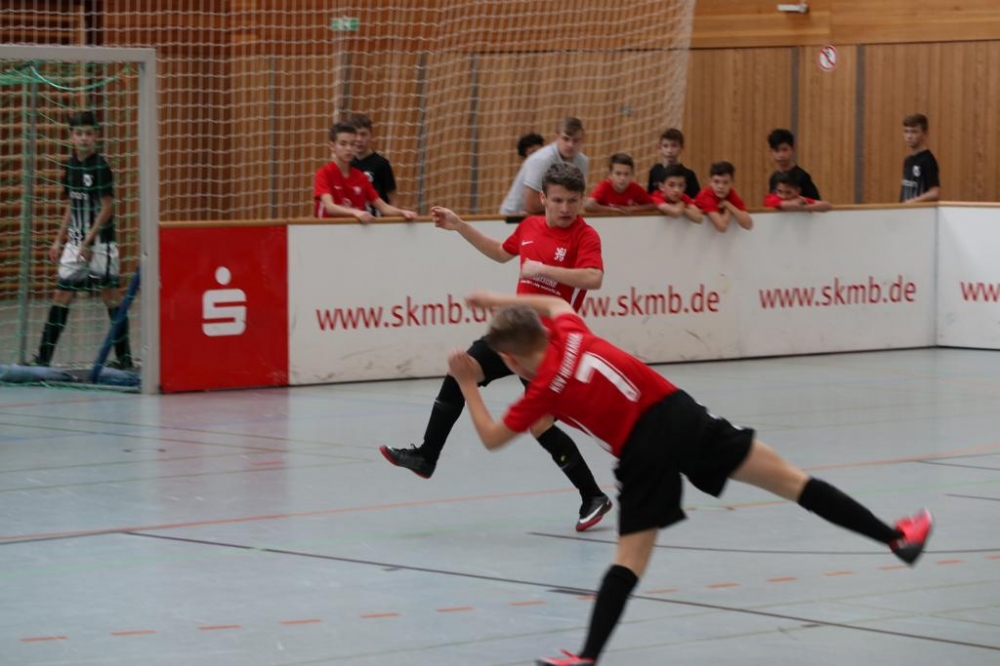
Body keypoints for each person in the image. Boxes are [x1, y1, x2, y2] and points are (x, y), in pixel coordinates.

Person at [445, 290, 934, 666]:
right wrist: (497, 300)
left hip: (641, 452)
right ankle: (896, 538)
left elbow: (490, 437)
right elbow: (554, 302)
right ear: (543, 331)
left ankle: (586, 656)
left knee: (629, 560)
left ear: (511, 361)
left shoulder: (541, 392)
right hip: (679, 416)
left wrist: (469, 384)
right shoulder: (570, 330)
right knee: (792, 482)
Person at [380, 163, 612, 532]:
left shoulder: (586, 236)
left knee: (539, 424)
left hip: (547, 346)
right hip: (514, 333)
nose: (565, 208)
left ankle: (592, 495)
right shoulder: (530, 226)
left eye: (572, 200)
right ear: (543, 198)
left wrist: (545, 270)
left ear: (582, 199)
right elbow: (502, 252)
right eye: (557, 200)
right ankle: (426, 455)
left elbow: (593, 278)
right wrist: (460, 226)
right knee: (462, 371)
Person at [33, 110, 133, 369]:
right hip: (75, 242)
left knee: (111, 296)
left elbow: (107, 207)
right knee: (61, 294)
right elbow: (71, 206)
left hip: (101, 244)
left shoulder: (101, 167)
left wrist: (88, 242)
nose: (84, 138)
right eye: (79, 133)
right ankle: (43, 359)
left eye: (89, 133)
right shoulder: (70, 166)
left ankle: (124, 359)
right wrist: (59, 240)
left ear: (96, 136)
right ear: (71, 137)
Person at [314, 122, 416, 223]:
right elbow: (330, 208)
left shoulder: (361, 177)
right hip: (327, 230)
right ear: (332, 146)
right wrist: (355, 212)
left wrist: (403, 212)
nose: (348, 149)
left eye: (352, 144)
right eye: (343, 144)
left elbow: (383, 207)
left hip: (354, 230)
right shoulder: (323, 173)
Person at [499, 117, 589, 221]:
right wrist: (567, 206)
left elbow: (577, 198)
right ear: (557, 138)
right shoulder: (542, 160)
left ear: (582, 140)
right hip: (514, 217)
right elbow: (532, 205)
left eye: (576, 140)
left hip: (550, 216)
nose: (570, 145)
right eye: (566, 139)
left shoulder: (582, 161)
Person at [348, 113, 399, 209]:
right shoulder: (347, 164)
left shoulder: (381, 164)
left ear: (371, 135)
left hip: (378, 217)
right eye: (355, 134)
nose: (359, 139)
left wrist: (392, 217)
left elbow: (393, 198)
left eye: (363, 134)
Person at [583, 153, 655, 215]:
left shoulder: (635, 188)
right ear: (610, 175)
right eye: (618, 174)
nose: (622, 178)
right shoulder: (604, 186)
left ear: (632, 175)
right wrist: (614, 210)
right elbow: (588, 205)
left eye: (626, 174)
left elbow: (653, 205)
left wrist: (634, 209)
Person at [694, 161, 753, 232]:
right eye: (716, 182)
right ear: (710, 182)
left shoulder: (731, 193)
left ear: (732, 183)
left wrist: (727, 205)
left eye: (725, 182)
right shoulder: (706, 195)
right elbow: (722, 227)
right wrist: (728, 209)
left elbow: (748, 225)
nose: (721, 186)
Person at [766, 128, 821, 200]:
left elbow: (816, 201)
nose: (781, 155)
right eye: (776, 151)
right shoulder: (774, 178)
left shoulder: (802, 177)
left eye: (784, 150)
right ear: (771, 151)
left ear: (793, 149)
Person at [647, 128, 700, 200]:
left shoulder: (689, 174)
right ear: (660, 148)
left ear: (681, 148)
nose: (669, 150)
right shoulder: (655, 170)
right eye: (665, 146)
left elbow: (696, 200)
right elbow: (650, 196)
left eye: (674, 146)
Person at [899, 113, 940, 204]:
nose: (909, 136)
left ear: (925, 134)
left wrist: (913, 202)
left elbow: (935, 193)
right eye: (906, 131)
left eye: (914, 132)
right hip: (905, 211)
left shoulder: (928, 160)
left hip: (920, 211)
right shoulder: (908, 161)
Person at [763, 171, 833, 212]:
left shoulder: (799, 199)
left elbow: (827, 206)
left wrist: (805, 207)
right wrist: (799, 206)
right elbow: (788, 205)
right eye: (780, 191)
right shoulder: (770, 198)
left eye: (788, 192)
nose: (783, 196)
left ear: (798, 191)